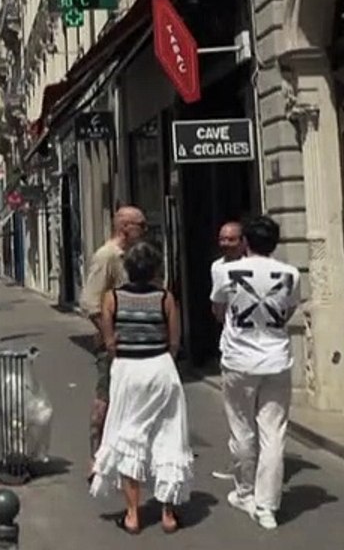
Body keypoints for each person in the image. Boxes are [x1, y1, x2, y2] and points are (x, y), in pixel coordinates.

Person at [90, 242, 192, 534]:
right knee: (168, 435)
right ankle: (168, 515)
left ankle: (133, 515)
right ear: (155, 270)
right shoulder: (165, 298)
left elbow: (109, 342)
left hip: (127, 370)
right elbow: (174, 341)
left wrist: (123, 355)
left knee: (127, 435)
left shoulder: (112, 298)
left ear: (128, 270)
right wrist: (161, 358)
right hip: (160, 368)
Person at [211, 215, 301, 531]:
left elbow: (219, 310)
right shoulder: (290, 273)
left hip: (239, 360)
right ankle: (267, 507)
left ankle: (245, 492)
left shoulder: (225, 271)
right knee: (273, 434)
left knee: (242, 429)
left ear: (246, 242)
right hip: (277, 360)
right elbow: (288, 311)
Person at [79, 205, 147, 482]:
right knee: (105, 399)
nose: (144, 231)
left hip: (136, 341)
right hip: (115, 345)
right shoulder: (107, 256)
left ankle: (126, 454)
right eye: (141, 225)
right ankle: (95, 458)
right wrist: (110, 337)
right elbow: (89, 302)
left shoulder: (131, 256)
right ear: (125, 227)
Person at [209, 221, 245, 481]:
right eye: (222, 239)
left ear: (243, 241)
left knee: (248, 416)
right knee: (237, 415)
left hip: (253, 350)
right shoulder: (217, 268)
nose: (225, 244)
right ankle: (240, 466)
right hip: (232, 346)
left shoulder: (259, 266)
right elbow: (218, 310)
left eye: (231, 239)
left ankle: (249, 471)